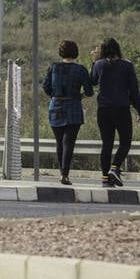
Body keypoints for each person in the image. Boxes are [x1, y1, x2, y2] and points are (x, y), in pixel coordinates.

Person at [90, 37, 140, 187]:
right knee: (125, 142)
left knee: (106, 144)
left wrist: (94, 61)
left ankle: (105, 180)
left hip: (104, 110)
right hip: (122, 109)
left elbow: (93, 81)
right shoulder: (127, 66)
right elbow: (133, 90)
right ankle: (115, 168)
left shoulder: (99, 65)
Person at [41, 40, 92, 185]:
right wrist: (79, 96)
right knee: (69, 142)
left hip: (56, 106)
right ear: (75, 52)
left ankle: (61, 172)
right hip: (73, 107)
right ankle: (65, 174)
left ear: (61, 52)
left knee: (59, 142)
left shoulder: (53, 67)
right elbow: (89, 91)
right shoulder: (80, 69)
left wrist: (55, 96)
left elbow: (46, 86)